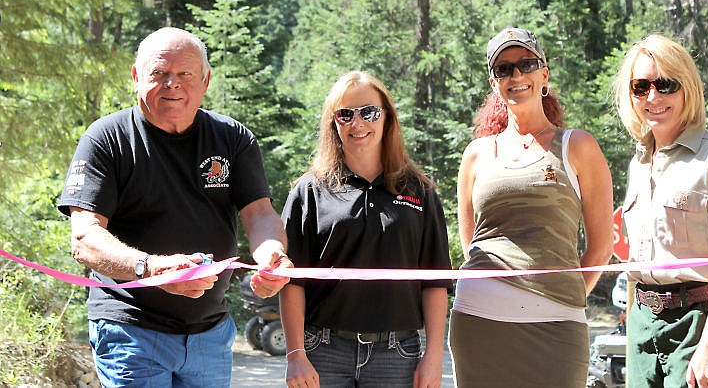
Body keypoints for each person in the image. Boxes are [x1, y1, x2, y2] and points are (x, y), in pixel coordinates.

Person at [58, 27, 291, 387]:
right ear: (136, 77)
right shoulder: (106, 139)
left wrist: (271, 255)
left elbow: (259, 213)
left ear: (205, 80)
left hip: (210, 334)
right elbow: (84, 238)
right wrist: (150, 269)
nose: (173, 84)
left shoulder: (233, 138)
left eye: (185, 73)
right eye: (159, 73)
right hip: (130, 328)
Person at [449, 27, 614, 388]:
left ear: (544, 75)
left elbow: (602, 247)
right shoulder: (476, 154)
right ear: (494, 83)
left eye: (526, 64)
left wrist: (562, 295)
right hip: (478, 320)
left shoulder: (578, 146)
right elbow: (471, 245)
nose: (516, 75)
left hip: (558, 325)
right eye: (504, 69)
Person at [279, 71, 452, 388]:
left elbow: (435, 282)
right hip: (322, 351)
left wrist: (433, 356)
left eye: (369, 112)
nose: (357, 123)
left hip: (397, 354)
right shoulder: (309, 191)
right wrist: (295, 355)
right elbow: (291, 281)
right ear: (333, 123)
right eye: (345, 114)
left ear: (387, 117)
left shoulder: (421, 191)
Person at [614, 34, 708, 388]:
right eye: (641, 87)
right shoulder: (639, 161)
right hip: (642, 322)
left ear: (688, 88)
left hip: (697, 321)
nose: (653, 97)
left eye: (665, 84)